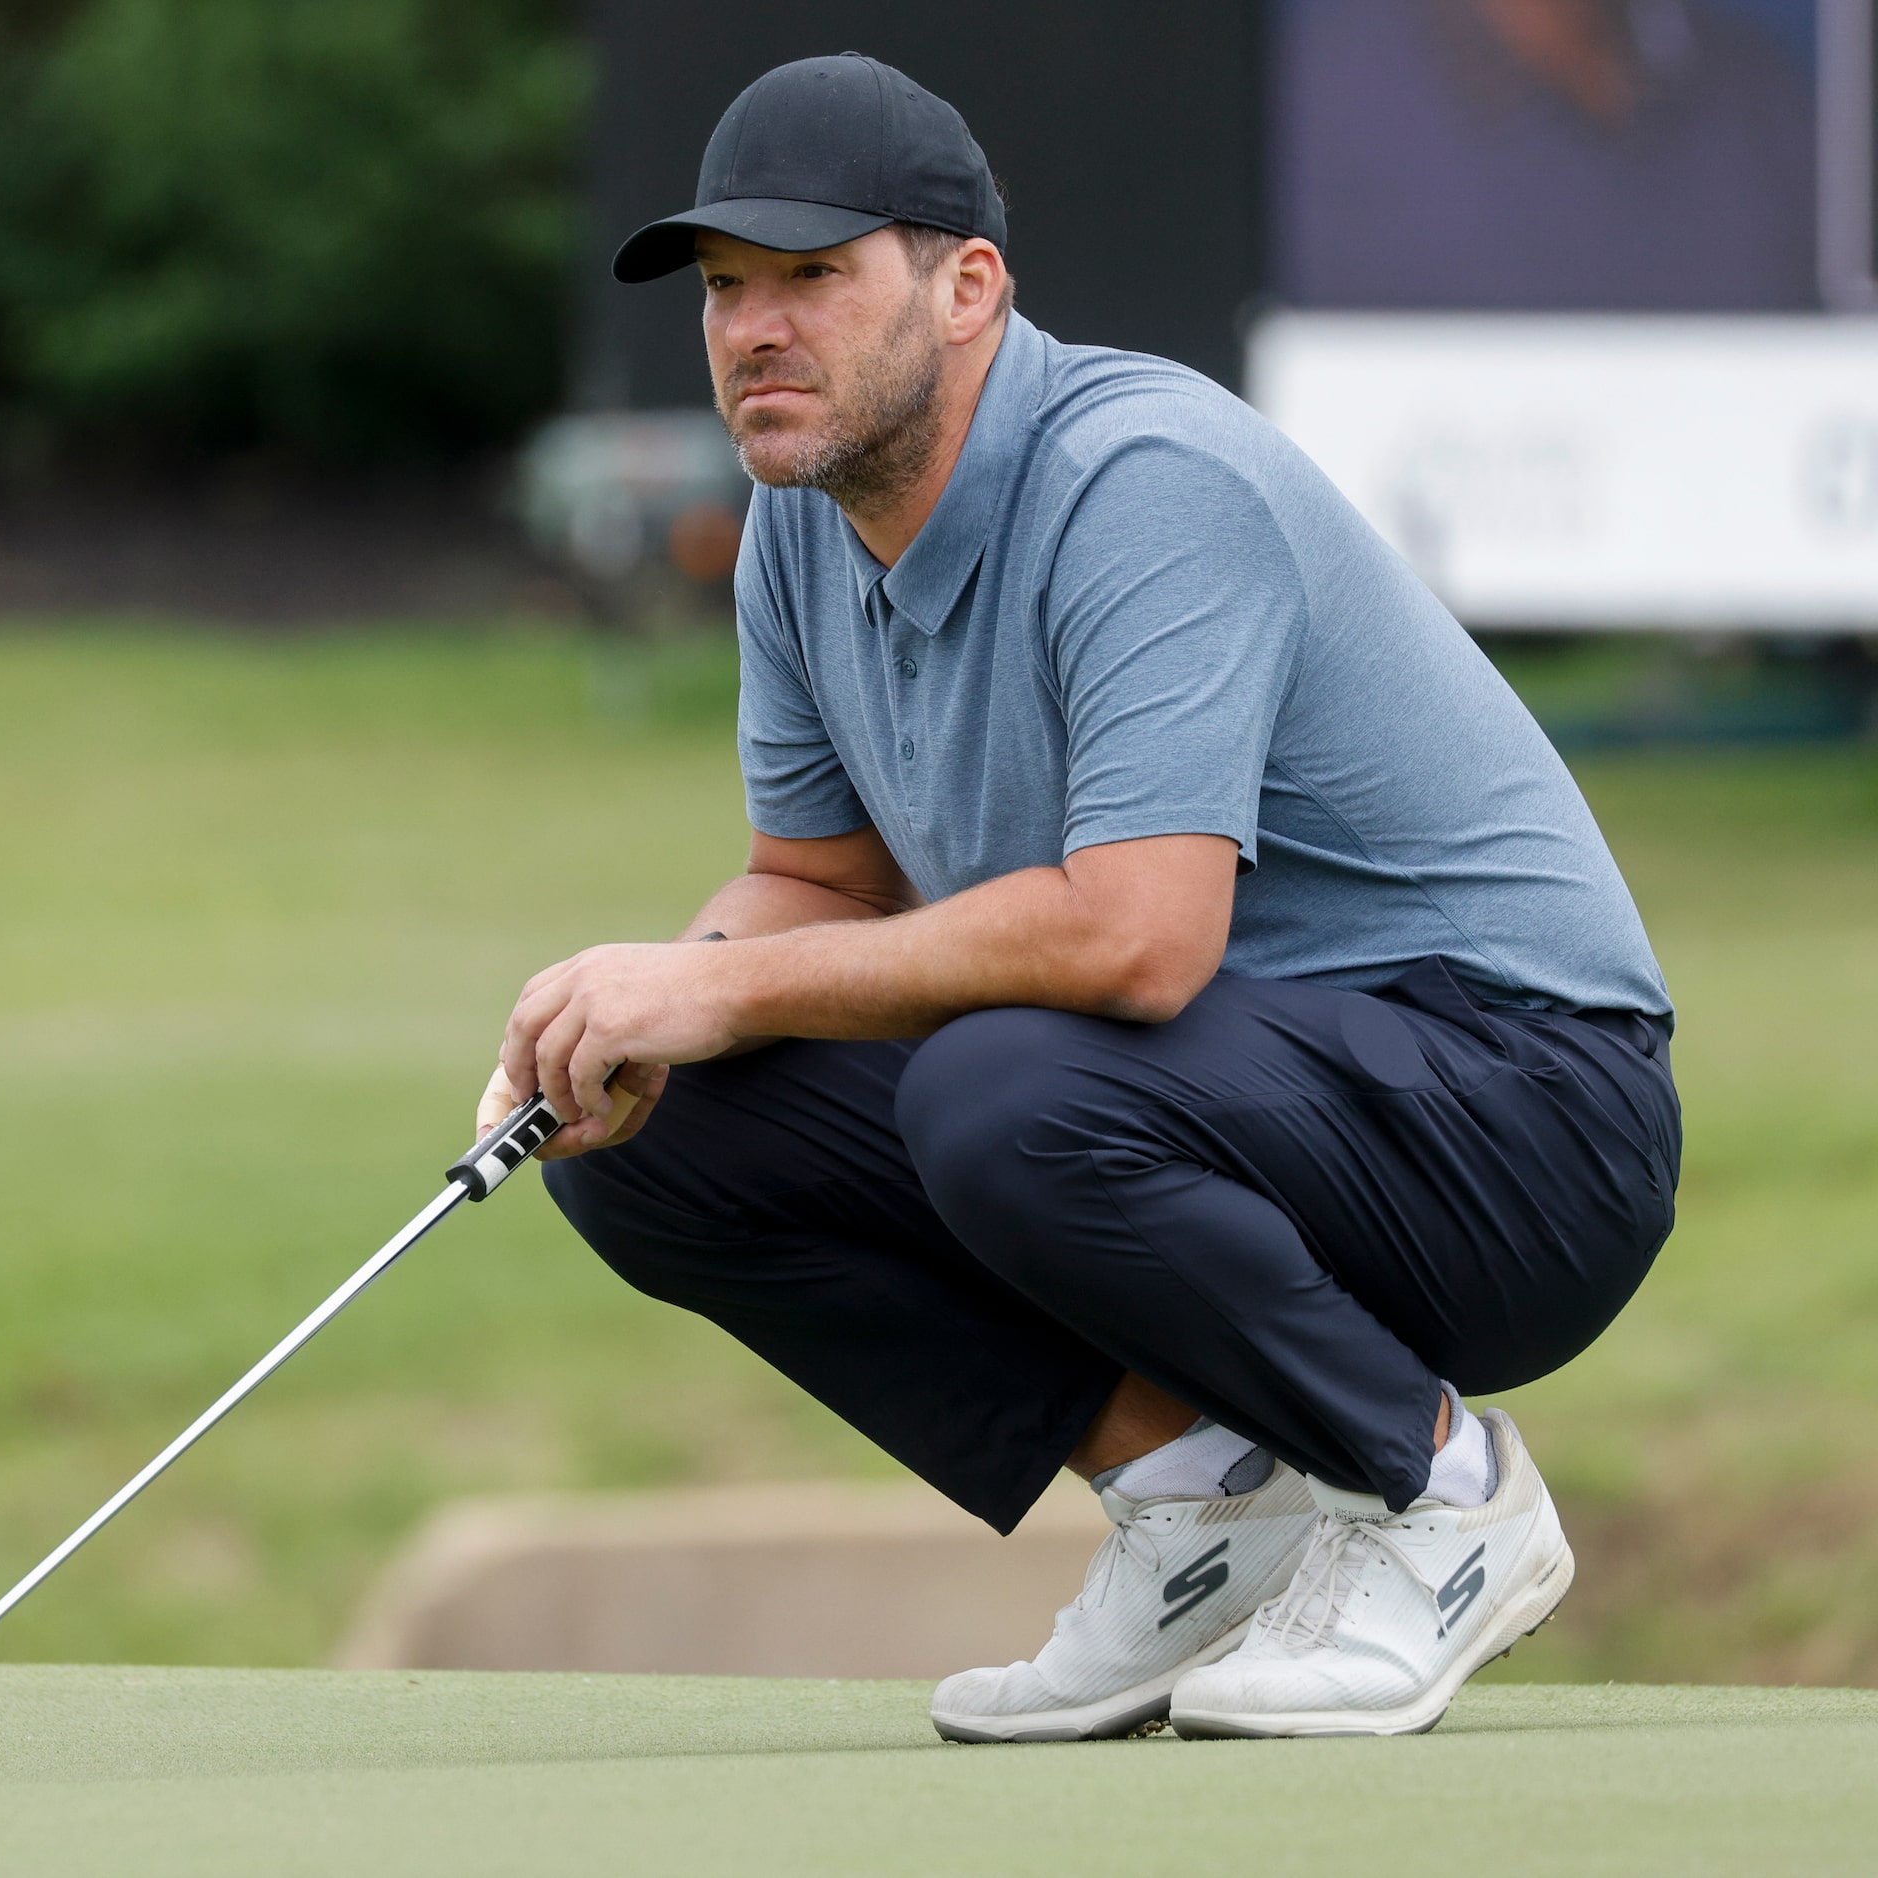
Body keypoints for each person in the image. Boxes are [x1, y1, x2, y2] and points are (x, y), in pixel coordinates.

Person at [479, 53, 1679, 1741]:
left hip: (1532, 1114)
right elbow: (813, 881)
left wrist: (723, 989)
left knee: (1002, 1084)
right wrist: (624, 1017)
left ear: (970, 287)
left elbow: (1137, 934)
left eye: (812, 276)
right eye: (727, 288)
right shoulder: (797, 530)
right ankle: (1207, 1511)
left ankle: (1444, 1496)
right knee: (663, 1136)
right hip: (1231, 1100)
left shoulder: (1141, 477)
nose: (753, 328)